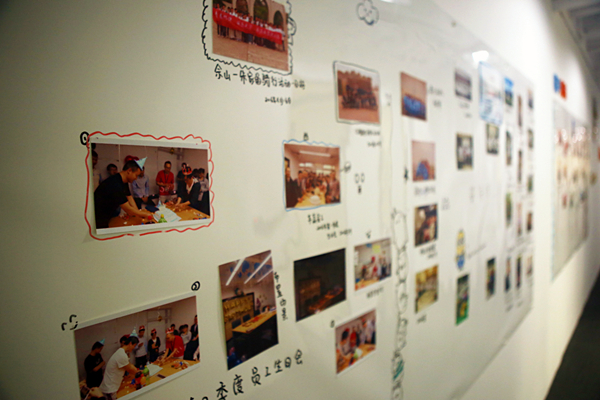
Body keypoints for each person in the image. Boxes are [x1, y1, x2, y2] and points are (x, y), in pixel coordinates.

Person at [94, 160, 154, 229]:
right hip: (98, 217)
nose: (136, 178)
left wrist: (138, 213)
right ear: (129, 171)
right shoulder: (115, 183)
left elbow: (130, 198)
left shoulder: (123, 181)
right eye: (136, 175)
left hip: (108, 214)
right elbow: (128, 209)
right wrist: (145, 214)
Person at [99, 336, 140, 400]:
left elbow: (129, 364)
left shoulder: (121, 352)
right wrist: (140, 372)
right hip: (110, 389)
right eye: (134, 346)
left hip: (110, 387)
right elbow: (131, 369)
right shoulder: (121, 355)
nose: (133, 348)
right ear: (130, 343)